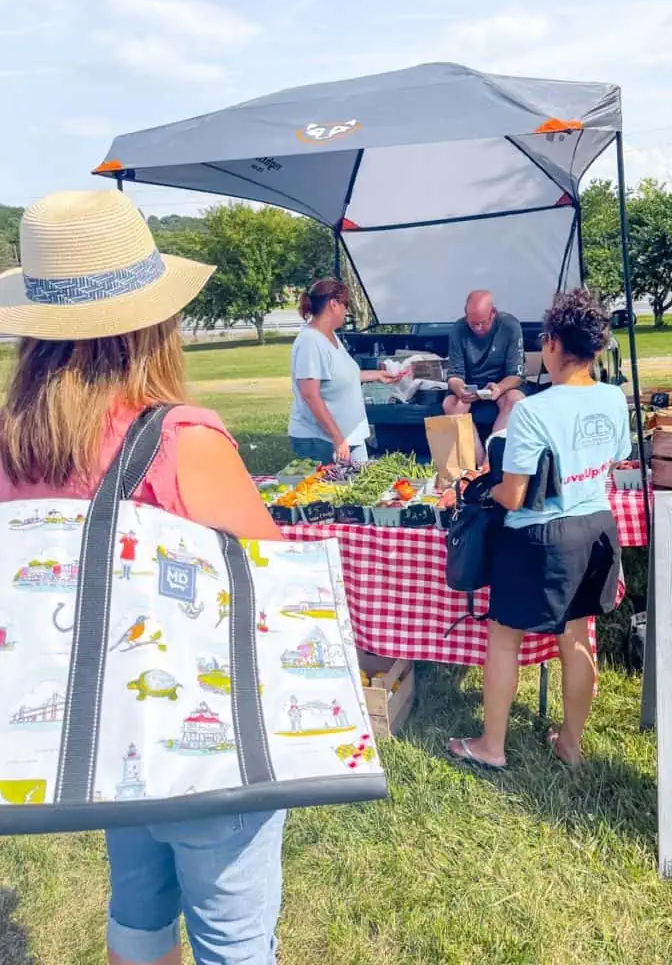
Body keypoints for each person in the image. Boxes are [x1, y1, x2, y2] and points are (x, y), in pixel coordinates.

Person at [0, 189, 286, 965]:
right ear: (152, 320)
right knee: (233, 937)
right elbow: (279, 591)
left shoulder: (15, 449)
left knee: (137, 912)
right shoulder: (181, 442)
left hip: (102, 734)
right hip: (204, 742)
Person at [448, 290, 630, 770]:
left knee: (504, 638)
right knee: (576, 638)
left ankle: (492, 745)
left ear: (550, 344)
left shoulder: (532, 410)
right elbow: (613, 459)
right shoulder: (614, 398)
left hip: (540, 537)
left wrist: (478, 487)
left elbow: (513, 494)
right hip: (595, 528)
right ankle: (570, 743)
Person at [289, 278, 395, 463]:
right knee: (330, 491)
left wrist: (377, 376)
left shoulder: (331, 336)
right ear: (333, 304)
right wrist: (337, 437)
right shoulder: (310, 342)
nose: (346, 311)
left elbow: (340, 376)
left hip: (350, 435)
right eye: (345, 305)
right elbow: (310, 394)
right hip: (322, 440)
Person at [444, 290, 527, 464]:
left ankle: (491, 462)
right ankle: (478, 463)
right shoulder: (458, 330)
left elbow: (516, 375)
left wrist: (500, 388)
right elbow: (454, 375)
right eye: (473, 323)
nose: (478, 328)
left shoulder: (510, 326)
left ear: (493, 314)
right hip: (470, 386)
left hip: (502, 384)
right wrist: (459, 388)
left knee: (516, 400)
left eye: (483, 323)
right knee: (450, 404)